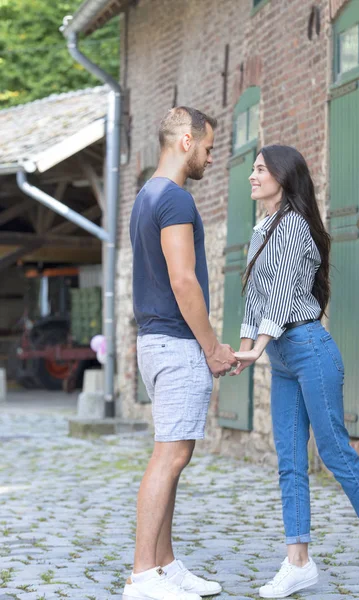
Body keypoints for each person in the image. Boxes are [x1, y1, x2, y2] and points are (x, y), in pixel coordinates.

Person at [231, 145, 359, 599]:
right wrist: (245, 350)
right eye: (251, 169)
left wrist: (258, 349)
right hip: (283, 357)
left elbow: (287, 295)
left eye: (259, 170)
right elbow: (255, 301)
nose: (252, 176)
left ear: (284, 178)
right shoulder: (262, 229)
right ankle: (298, 562)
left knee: (333, 449)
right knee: (289, 460)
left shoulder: (294, 227)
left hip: (309, 348)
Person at [125, 107, 237, 600]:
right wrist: (211, 347)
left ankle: (166, 565)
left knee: (175, 453)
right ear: (187, 141)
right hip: (175, 343)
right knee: (169, 457)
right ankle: (144, 575)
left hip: (154, 342)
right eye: (210, 148)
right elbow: (183, 278)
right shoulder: (174, 199)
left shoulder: (145, 195)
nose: (212, 158)